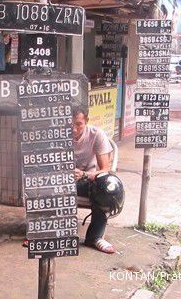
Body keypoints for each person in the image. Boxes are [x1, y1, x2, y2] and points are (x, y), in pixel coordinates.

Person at [72, 107, 122, 254]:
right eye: (69, 124)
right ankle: (44, 233)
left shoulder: (96, 134)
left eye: (78, 124)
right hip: (64, 181)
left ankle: (95, 237)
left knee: (106, 187)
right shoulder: (59, 135)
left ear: (86, 121)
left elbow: (105, 168)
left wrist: (84, 174)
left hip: (89, 180)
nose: (74, 129)